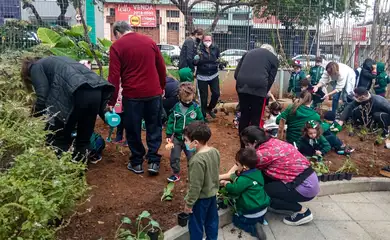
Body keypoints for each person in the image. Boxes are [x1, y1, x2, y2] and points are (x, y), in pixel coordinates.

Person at [21, 56, 114, 163]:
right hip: (96, 92)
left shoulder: (35, 67)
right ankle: (78, 172)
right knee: (83, 141)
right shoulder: (56, 61)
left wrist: (32, 115)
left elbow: (42, 96)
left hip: (76, 95)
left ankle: (63, 171)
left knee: (59, 140)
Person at [220, 126, 320, 226]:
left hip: (305, 187)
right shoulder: (273, 141)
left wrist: (221, 178)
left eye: (247, 144)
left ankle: (303, 211)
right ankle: (282, 201)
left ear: (255, 142)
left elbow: (242, 166)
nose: (246, 147)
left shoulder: (261, 154)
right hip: (310, 179)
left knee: (262, 193)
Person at [108, 21, 166, 175]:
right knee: (154, 126)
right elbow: (161, 66)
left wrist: (111, 101)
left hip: (132, 95)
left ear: (118, 32)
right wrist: (161, 87)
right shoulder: (149, 41)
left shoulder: (117, 47)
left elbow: (113, 77)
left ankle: (137, 163)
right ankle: (153, 161)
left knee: (133, 129)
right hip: (153, 93)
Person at [220, 148, 269, 239]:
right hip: (264, 206)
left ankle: (253, 228)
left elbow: (234, 189)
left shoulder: (243, 179)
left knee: (236, 220)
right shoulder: (258, 173)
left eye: (237, 164)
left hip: (251, 211)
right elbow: (239, 178)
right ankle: (261, 220)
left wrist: (227, 184)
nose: (235, 165)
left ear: (245, 167)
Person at [235, 44, 279, 142]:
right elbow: (271, 79)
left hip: (242, 85)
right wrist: (264, 91)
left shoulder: (248, 53)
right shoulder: (273, 58)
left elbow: (236, 74)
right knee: (256, 116)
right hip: (259, 87)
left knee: (245, 114)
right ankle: (252, 143)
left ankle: (243, 143)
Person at [183, 121, 220, 240]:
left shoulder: (196, 161)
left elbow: (195, 186)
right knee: (212, 221)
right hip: (212, 195)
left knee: (196, 225)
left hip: (200, 200)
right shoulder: (215, 151)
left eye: (186, 140)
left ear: (195, 142)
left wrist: (189, 203)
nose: (185, 143)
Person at [166, 83, 204, 182]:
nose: (188, 102)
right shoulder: (176, 108)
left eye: (190, 100)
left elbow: (201, 121)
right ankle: (175, 173)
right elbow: (170, 121)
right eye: (185, 100)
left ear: (193, 96)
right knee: (174, 157)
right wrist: (169, 135)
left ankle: (192, 175)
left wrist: (199, 133)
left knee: (191, 158)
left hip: (191, 139)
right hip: (177, 138)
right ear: (179, 97)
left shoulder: (195, 108)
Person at [194, 34, 221, 120]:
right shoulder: (198, 49)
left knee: (216, 94)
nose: (208, 42)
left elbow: (218, 59)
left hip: (214, 75)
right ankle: (203, 116)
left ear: (212, 40)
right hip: (202, 76)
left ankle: (209, 109)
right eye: (206, 40)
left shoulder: (215, 48)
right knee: (203, 97)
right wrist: (196, 60)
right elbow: (193, 62)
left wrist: (220, 63)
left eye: (209, 40)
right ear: (203, 40)